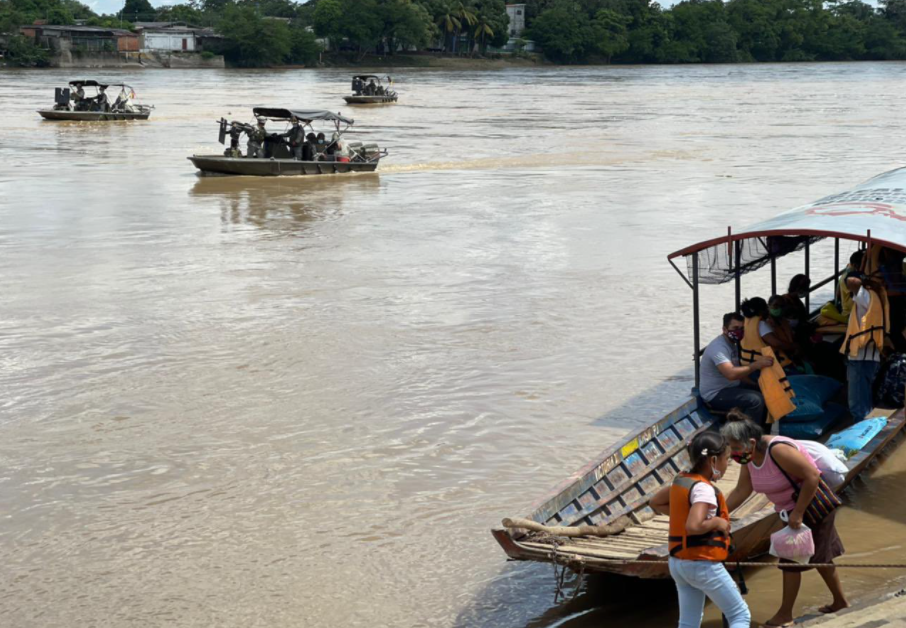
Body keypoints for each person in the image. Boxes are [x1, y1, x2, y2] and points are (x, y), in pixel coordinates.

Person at [722, 410, 848, 626]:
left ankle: (785, 614)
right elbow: (743, 490)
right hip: (788, 512)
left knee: (790, 564)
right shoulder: (749, 456)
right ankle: (840, 602)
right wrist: (719, 511)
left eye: (735, 448)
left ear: (751, 442)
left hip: (810, 507)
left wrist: (798, 513)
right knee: (822, 557)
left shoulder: (778, 450)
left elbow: (812, 476)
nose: (733, 454)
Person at [649, 432, 750, 628]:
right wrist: (717, 523)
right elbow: (694, 527)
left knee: (688, 622)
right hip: (701, 564)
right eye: (726, 459)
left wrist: (685, 514)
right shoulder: (704, 489)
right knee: (740, 615)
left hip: (678, 564)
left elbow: (655, 502)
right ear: (713, 460)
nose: (727, 465)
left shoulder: (681, 480)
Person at [700, 312, 772, 425]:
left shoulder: (732, 343)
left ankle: (764, 427)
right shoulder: (718, 348)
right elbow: (731, 374)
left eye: (742, 328)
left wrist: (757, 385)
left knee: (764, 388)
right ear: (724, 329)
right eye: (735, 328)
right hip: (716, 394)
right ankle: (750, 435)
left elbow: (740, 373)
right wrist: (755, 365)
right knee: (756, 400)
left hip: (731, 385)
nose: (739, 331)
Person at [841, 271, 888, 421]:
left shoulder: (864, 296)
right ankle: (868, 425)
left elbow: (852, 281)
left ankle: (861, 432)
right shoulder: (876, 296)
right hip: (870, 353)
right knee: (865, 395)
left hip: (859, 356)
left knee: (857, 401)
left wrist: (862, 279)